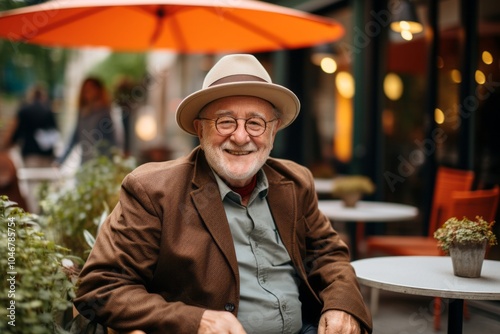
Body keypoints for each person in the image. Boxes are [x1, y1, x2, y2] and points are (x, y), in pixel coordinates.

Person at [74, 54, 372, 334]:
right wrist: (196, 321)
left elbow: (328, 254)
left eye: (255, 122)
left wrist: (342, 304)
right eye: (225, 121)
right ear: (199, 129)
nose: (241, 137)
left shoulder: (295, 181)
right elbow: (100, 289)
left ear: (274, 130)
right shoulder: (153, 190)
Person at [58, 77, 117, 166]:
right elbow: (75, 138)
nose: (88, 92)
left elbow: (110, 142)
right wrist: (61, 160)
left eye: (91, 88)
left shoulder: (104, 113)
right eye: (86, 89)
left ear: (98, 90)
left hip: (101, 164)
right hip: (85, 163)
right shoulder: (83, 113)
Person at [4, 84, 59, 168]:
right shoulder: (48, 111)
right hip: (47, 155)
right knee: (45, 180)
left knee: (32, 179)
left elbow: (16, 133)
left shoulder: (24, 111)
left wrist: (6, 146)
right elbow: (55, 133)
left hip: (29, 154)